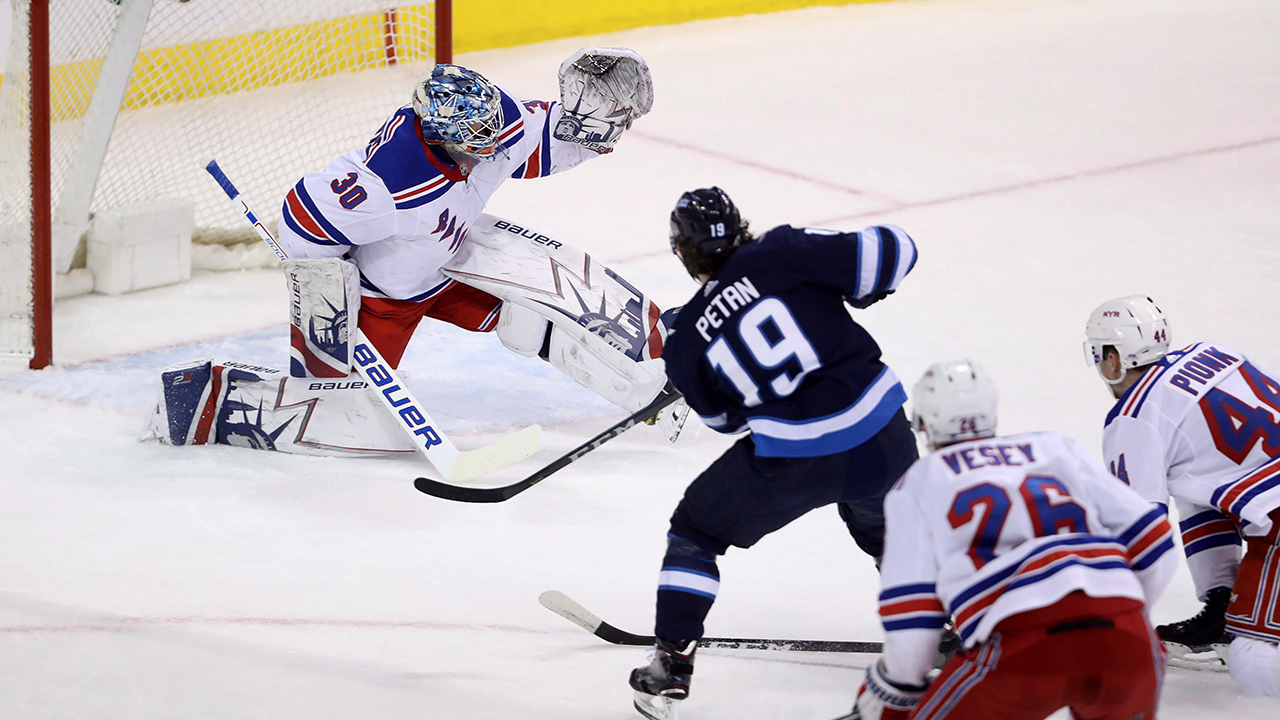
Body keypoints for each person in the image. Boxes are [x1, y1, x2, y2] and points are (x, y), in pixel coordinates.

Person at [627, 187, 921, 720]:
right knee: (891, 528)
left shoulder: (687, 338)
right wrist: (855, 289)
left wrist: (692, 349)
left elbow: (726, 421)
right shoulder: (783, 252)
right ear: (741, 227)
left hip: (794, 458)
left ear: (682, 252)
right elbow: (896, 251)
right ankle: (938, 630)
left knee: (697, 532)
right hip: (883, 435)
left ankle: (671, 663)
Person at [849, 359, 1176, 720]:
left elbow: (912, 612)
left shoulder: (920, 482)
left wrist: (894, 690)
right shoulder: (1054, 449)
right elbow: (1154, 536)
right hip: (1129, 642)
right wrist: (1122, 614)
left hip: (1023, 648)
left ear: (924, 424)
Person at [1084, 294, 1280, 696]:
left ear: (1114, 359)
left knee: (1252, 660)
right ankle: (1223, 604)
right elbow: (1204, 482)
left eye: (1098, 355)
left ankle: (1237, 626)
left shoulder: (1136, 418)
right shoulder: (1215, 352)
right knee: (1193, 486)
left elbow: (1139, 536)